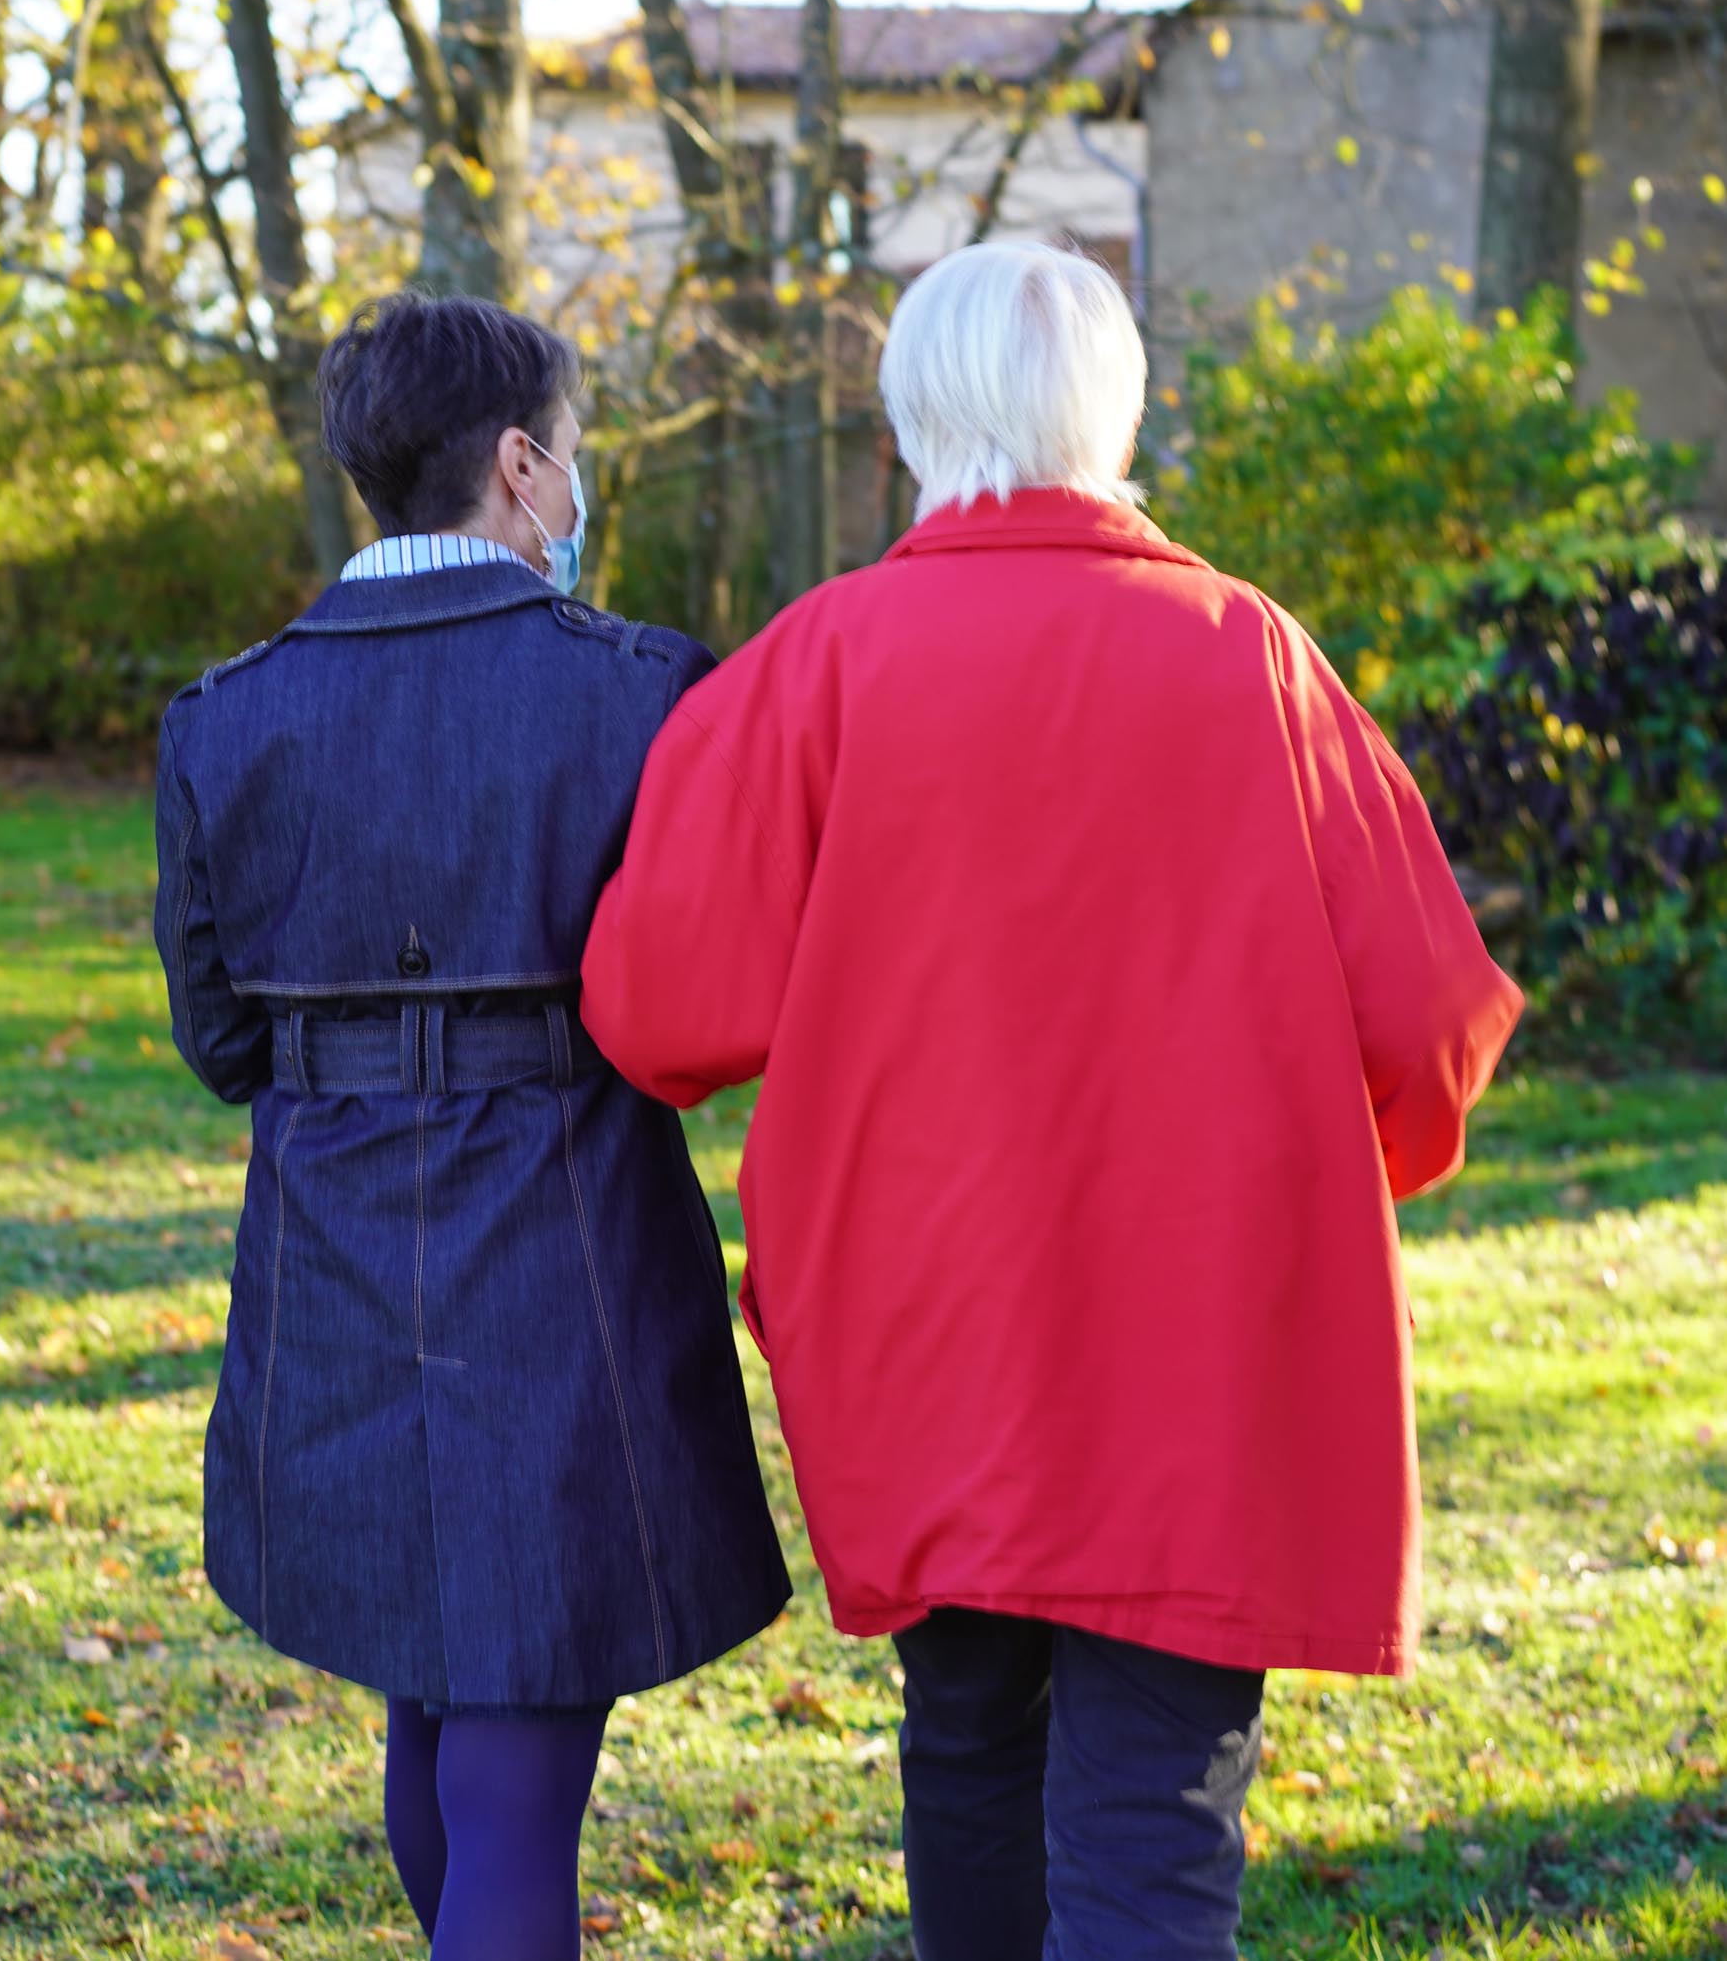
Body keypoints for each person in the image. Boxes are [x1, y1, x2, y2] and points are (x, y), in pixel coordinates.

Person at [580, 239, 1524, 1960]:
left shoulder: (817, 666)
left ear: (907, 418)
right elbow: (1437, 1020)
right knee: (1157, 1809)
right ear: (1124, 409)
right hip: (1207, 1329)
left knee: (967, 1748)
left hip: (919, 1325)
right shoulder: (1254, 658)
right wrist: (1324, 1161)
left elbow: (656, 1014)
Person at [152, 290, 790, 1961]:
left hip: (333, 1256)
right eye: (571, 460)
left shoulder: (222, 718)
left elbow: (221, 1042)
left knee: (436, 1694)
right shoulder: (646, 690)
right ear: (521, 466)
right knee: (513, 1762)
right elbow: (708, 1012)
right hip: (565, 1251)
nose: (575, 493)